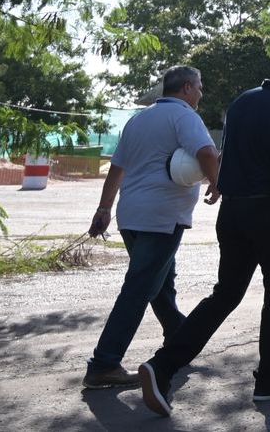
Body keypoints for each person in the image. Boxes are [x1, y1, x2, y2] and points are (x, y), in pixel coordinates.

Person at [139, 36, 270, 417]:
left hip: (234, 213)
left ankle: (162, 365)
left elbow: (228, 156)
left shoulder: (243, 101)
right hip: (269, 215)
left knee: (225, 294)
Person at [83, 65, 219, 390]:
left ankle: (179, 337)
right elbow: (207, 151)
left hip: (130, 215)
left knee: (160, 283)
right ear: (186, 88)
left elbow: (116, 168)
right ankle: (104, 363)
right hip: (161, 218)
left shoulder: (138, 119)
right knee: (139, 288)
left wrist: (104, 209)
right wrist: (217, 181)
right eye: (199, 87)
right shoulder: (184, 116)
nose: (201, 93)